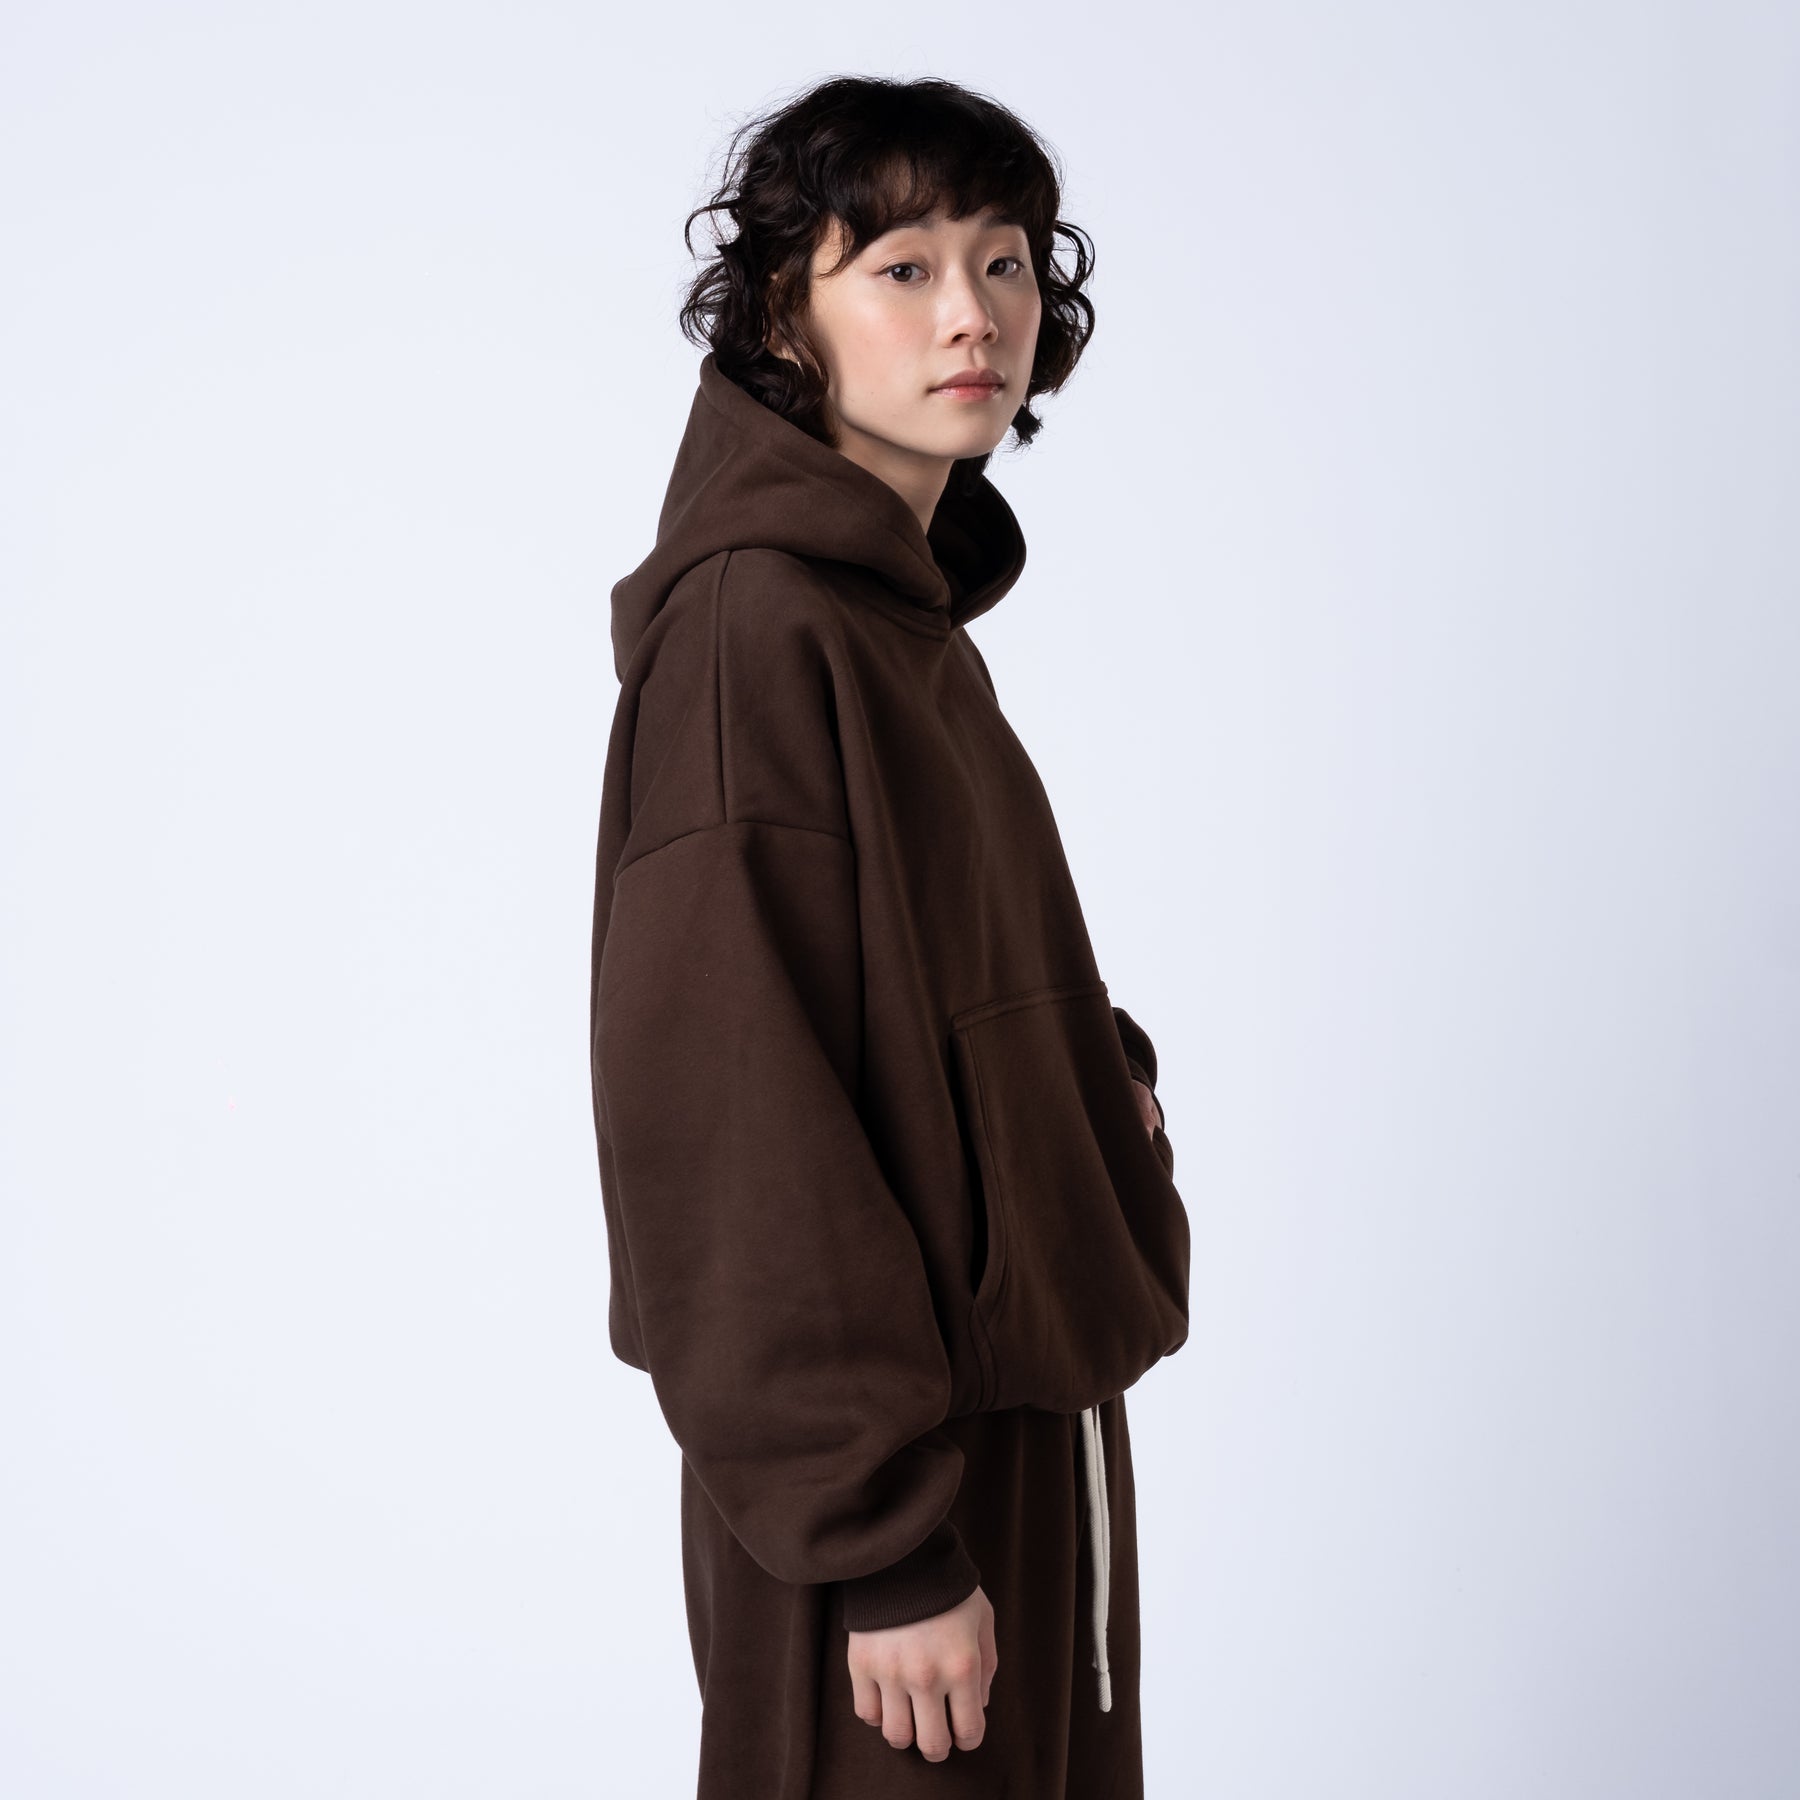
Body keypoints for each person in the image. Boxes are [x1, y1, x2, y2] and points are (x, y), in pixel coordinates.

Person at [588, 74, 1192, 1799]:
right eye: (903, 268)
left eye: (1003, 264)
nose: (972, 316)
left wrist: (1094, 1082)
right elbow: (730, 1112)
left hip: (1013, 1434)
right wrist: (879, 1538)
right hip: (892, 1506)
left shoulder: (901, 631)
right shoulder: (755, 631)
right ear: (788, 314)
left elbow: (937, 991)